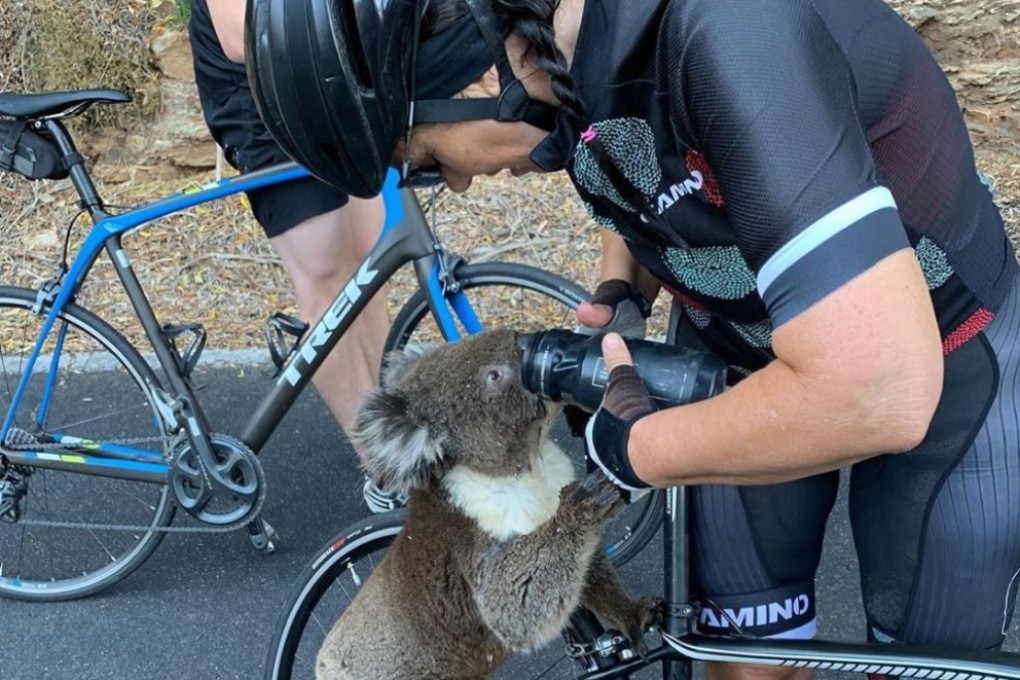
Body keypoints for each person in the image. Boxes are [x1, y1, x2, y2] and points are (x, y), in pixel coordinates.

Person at [246, 0, 1020, 675]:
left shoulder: (730, 32)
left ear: (480, 79)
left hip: (950, 362)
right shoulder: (562, 56)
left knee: (920, 663)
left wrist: (631, 453)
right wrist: (627, 285)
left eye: (419, 161)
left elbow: (877, 389)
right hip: (737, 355)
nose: (449, 183)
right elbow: (644, 162)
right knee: (746, 665)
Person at [188, 0, 402, 513]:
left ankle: (386, 423)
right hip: (260, 99)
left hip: (325, 85)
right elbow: (240, 38)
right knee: (325, 275)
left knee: (367, 263)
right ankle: (383, 466)